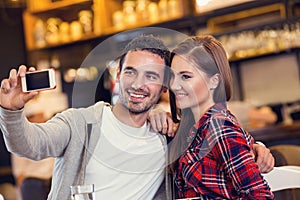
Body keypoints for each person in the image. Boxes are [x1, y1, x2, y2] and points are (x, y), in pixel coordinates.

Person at [0, 33, 273, 200]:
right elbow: (29, 144)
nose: (138, 84)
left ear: (163, 86)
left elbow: (224, 131)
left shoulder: (168, 133)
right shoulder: (79, 123)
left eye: (151, 76)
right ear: (118, 77)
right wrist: (12, 111)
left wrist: (255, 148)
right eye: (130, 72)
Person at [167, 35, 274, 199]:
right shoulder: (191, 128)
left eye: (186, 76)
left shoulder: (219, 127)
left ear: (214, 81)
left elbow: (259, 196)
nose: (174, 85)